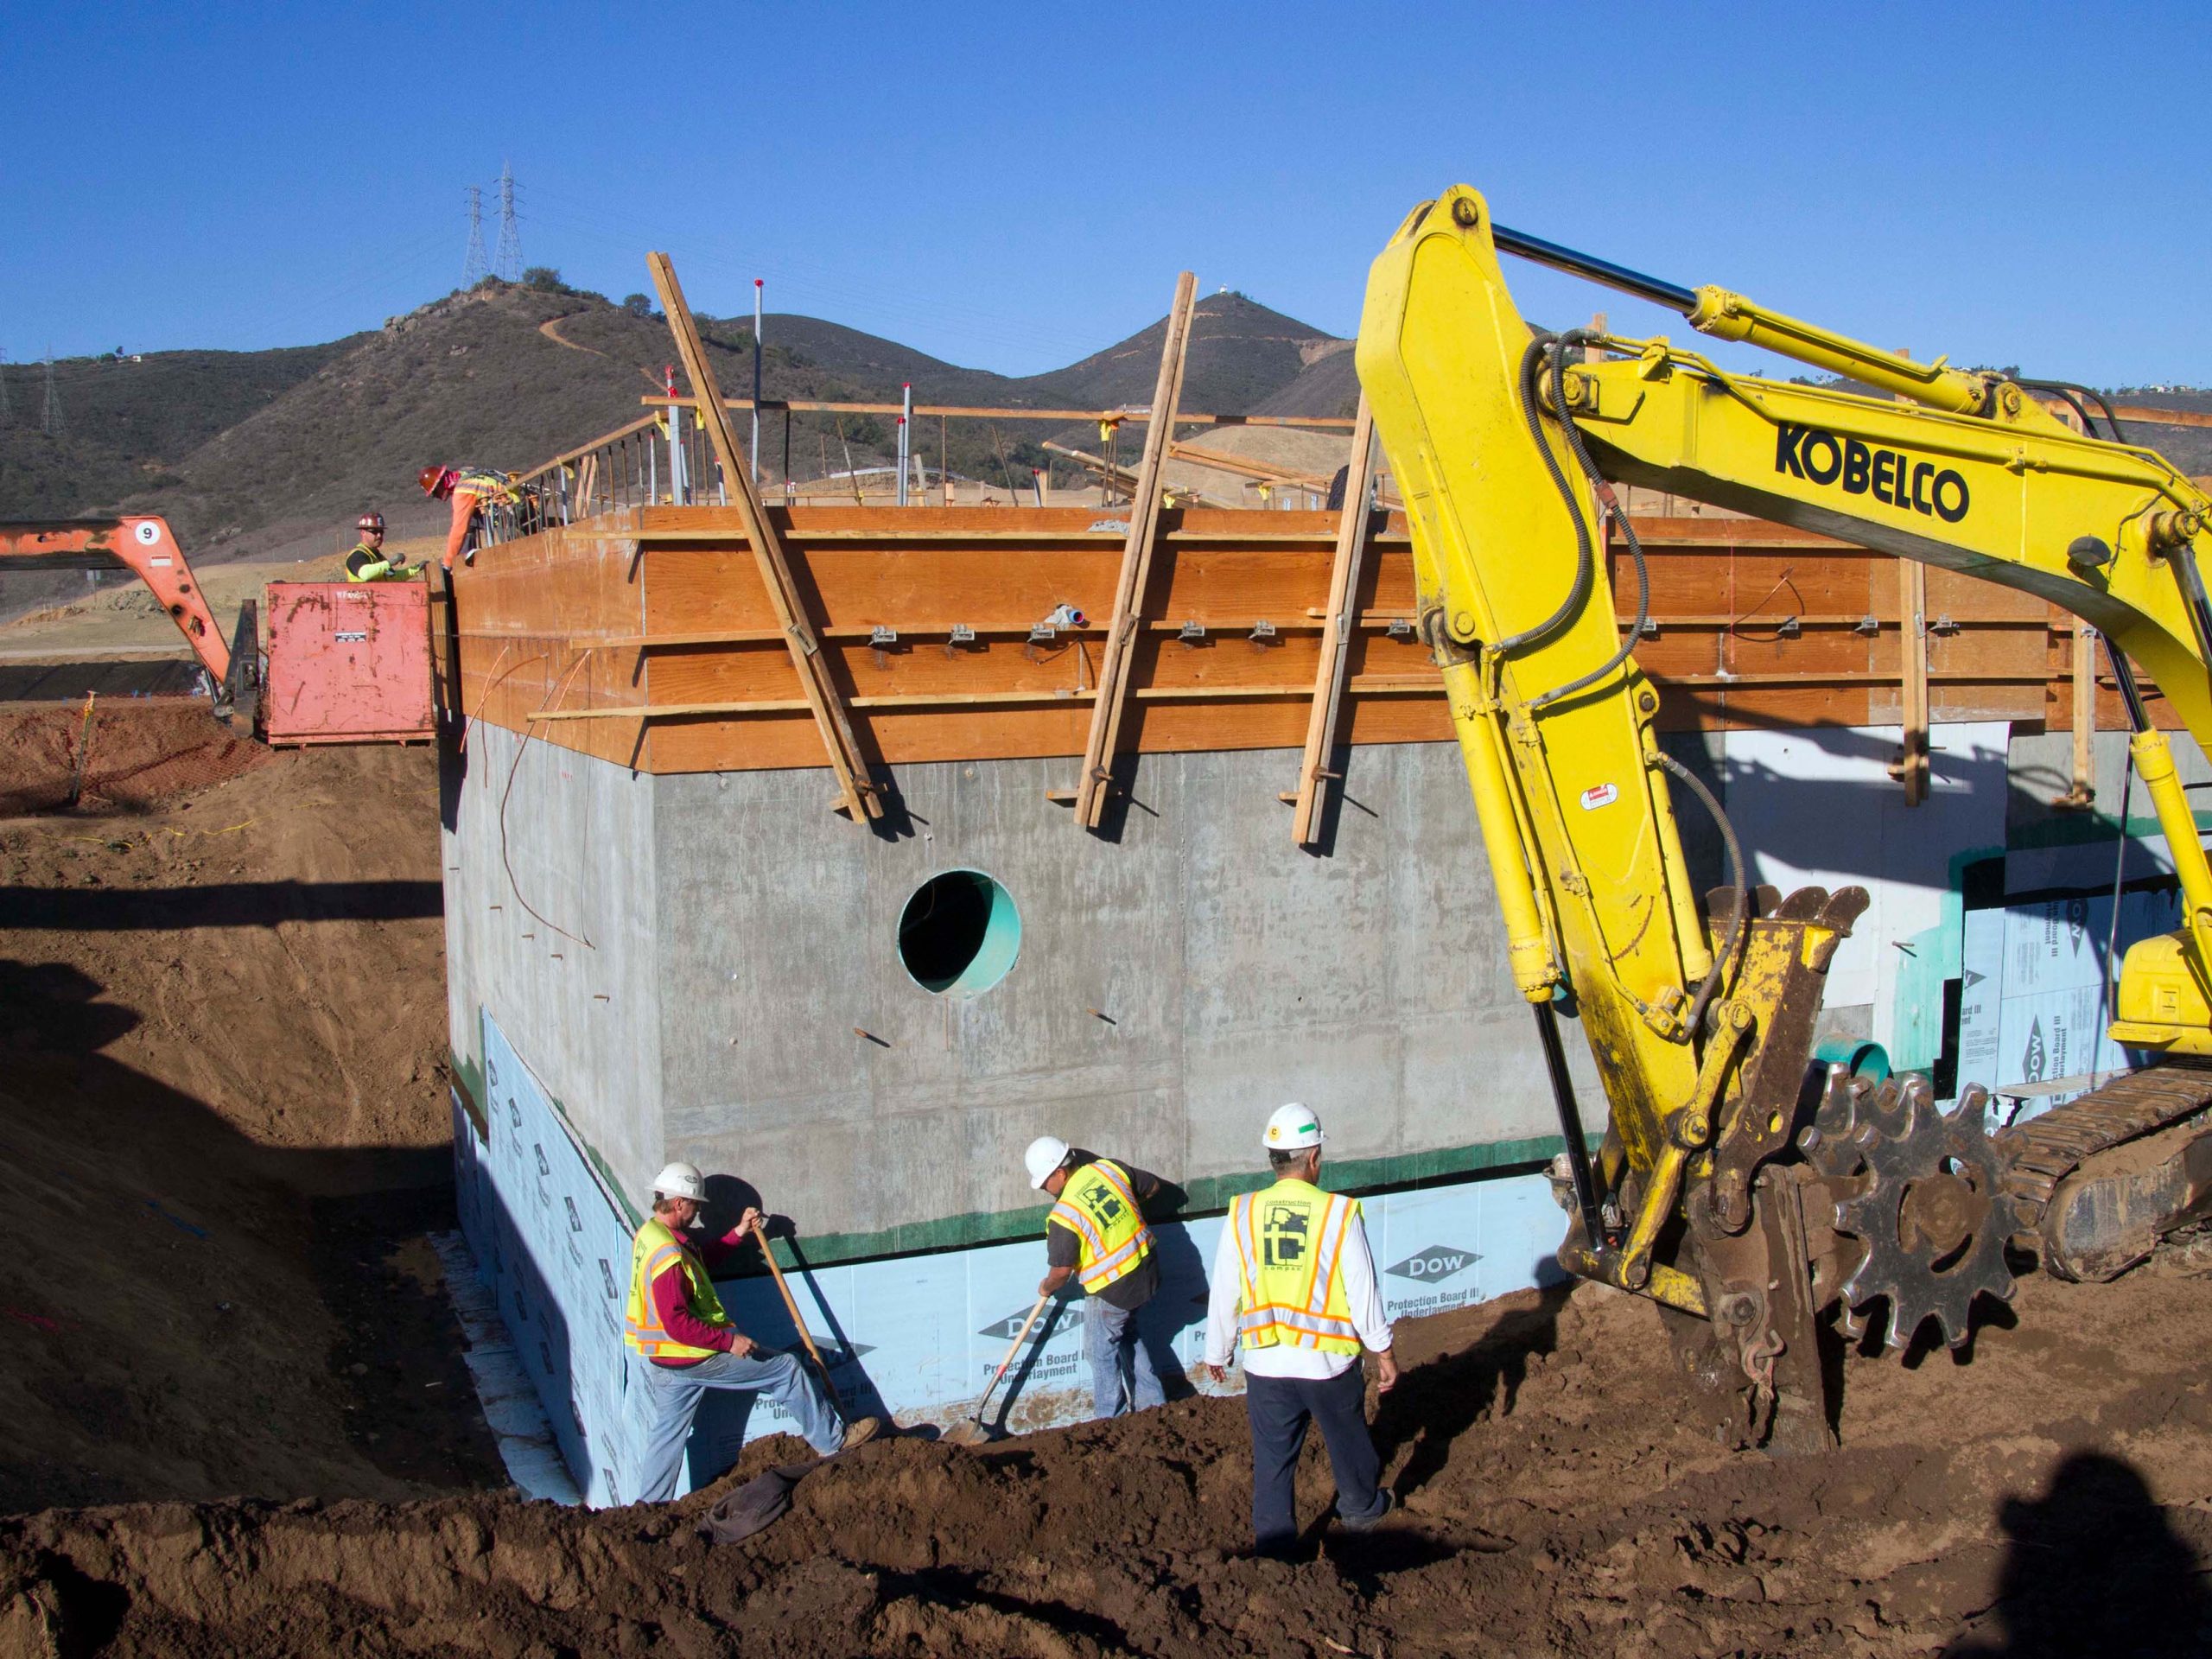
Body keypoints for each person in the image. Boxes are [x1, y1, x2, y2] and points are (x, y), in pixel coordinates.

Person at [1202, 1103, 1398, 1555]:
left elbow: (1226, 1287)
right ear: (1313, 1157)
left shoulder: (1244, 1212)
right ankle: (1361, 1510)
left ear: (1274, 1158)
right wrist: (1382, 1351)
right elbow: (1362, 1291)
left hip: (1267, 1363)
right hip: (1326, 1363)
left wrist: (1218, 1349)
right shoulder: (1338, 1213)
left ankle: (1274, 1546)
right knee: (1348, 1441)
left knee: (1273, 1460)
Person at [624, 1160, 880, 1502]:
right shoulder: (669, 1252)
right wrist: (728, 1342)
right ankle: (833, 1442)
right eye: (695, 1206)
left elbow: (701, 1261)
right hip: (695, 1354)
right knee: (786, 1370)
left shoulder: (652, 1234)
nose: (698, 1213)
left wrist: (739, 1233)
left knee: (667, 1436)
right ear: (679, 1202)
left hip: (666, 1361)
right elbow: (677, 1322)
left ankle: (649, 1507)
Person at [1025, 1135, 1165, 1420]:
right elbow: (1152, 1187)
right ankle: (1154, 1406)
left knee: (1099, 1352)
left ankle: (1110, 1420)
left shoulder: (1064, 1216)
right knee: (1126, 1334)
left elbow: (1062, 1273)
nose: (1044, 1189)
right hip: (1147, 1269)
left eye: (1044, 1182)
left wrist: (1046, 1286)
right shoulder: (1108, 1170)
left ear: (1060, 1173)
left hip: (1113, 1289)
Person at [417, 464, 520, 571]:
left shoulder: (462, 491)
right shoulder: (465, 473)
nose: (437, 497)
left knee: (466, 523)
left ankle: (464, 565)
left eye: (435, 493)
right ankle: (466, 557)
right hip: (514, 503)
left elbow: (459, 529)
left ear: (441, 485)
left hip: (507, 512)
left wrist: (447, 564)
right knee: (471, 519)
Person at [341, 512, 419, 582]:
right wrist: (390, 563)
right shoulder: (357, 555)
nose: (379, 535)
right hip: (361, 597)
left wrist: (415, 569)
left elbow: (392, 576)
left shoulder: (378, 557)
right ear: (363, 532)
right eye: (374, 531)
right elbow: (365, 574)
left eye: (381, 531)